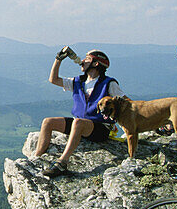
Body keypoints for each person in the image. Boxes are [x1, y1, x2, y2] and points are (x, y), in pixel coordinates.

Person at [32, 48, 125, 178]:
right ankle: (37, 158)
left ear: (96, 63)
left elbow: (126, 102)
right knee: (48, 122)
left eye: (87, 59)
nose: (82, 61)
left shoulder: (108, 83)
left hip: (100, 128)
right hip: (80, 125)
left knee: (78, 122)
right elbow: (53, 79)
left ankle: (62, 162)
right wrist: (58, 59)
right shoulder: (78, 82)